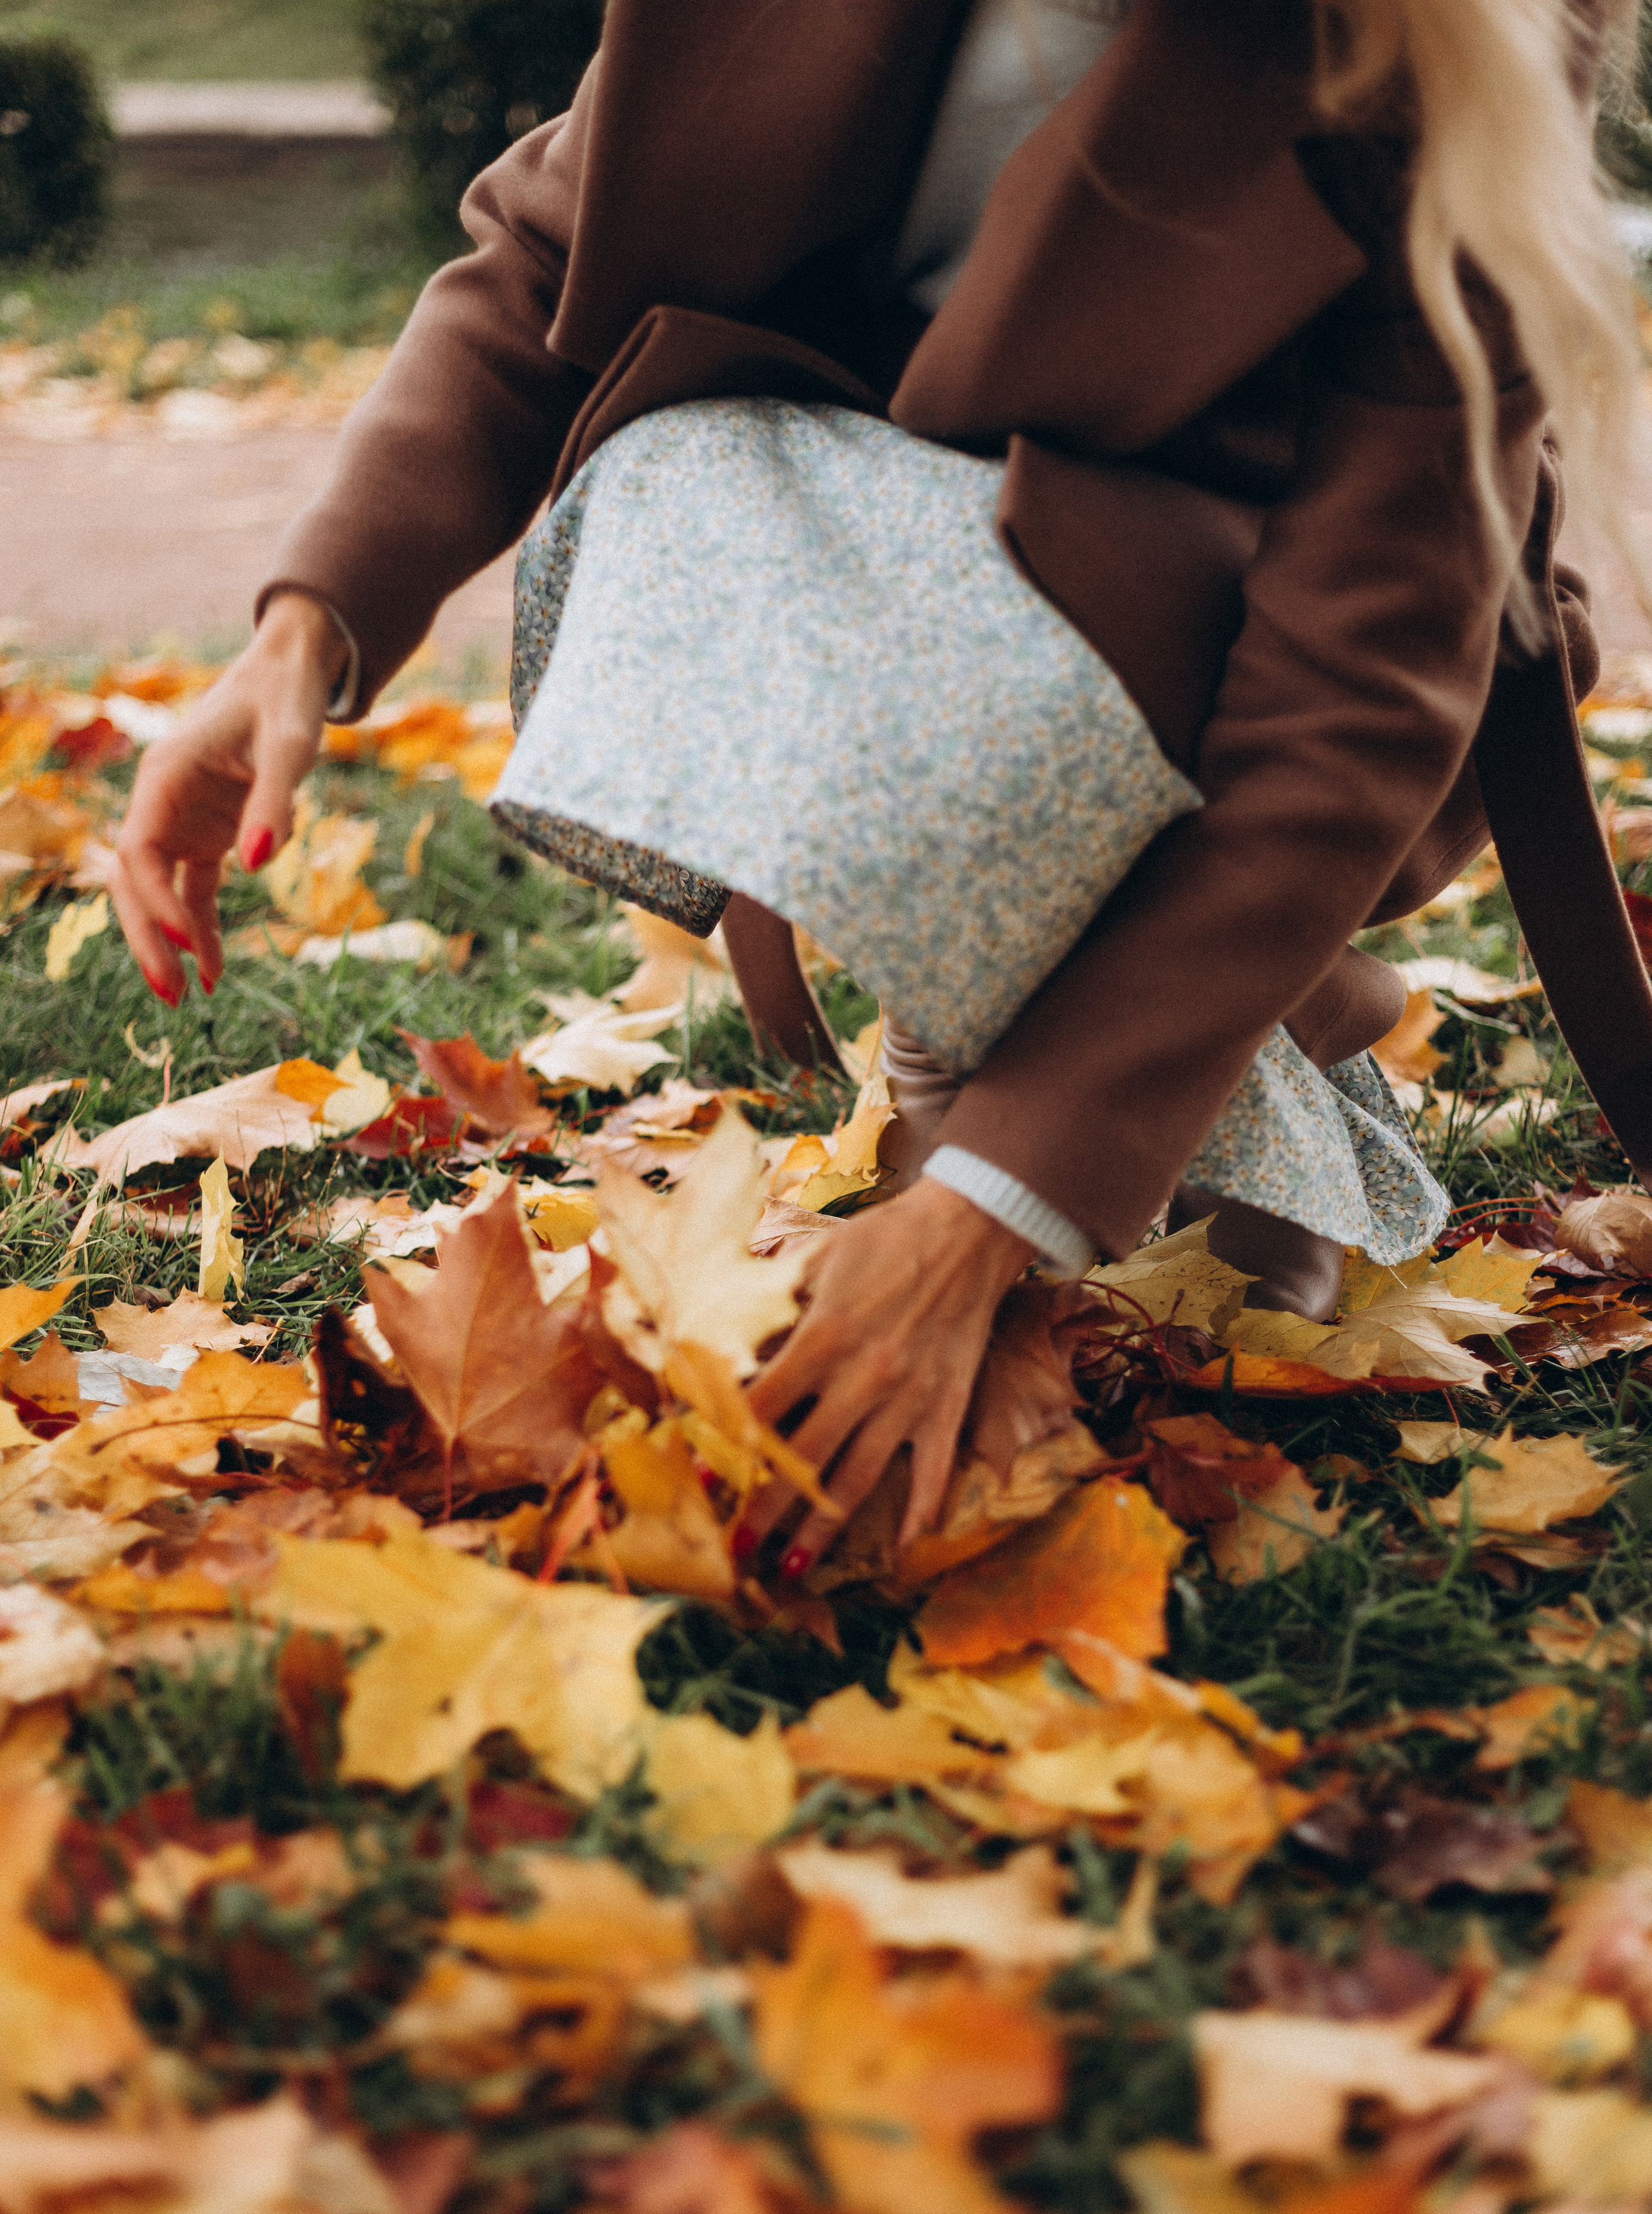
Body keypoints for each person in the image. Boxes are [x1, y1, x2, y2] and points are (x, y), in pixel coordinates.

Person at [110, 0, 1652, 1575]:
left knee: (1011, 1056)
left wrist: (977, 1213)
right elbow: (548, 263)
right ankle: (1239, 1037)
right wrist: (306, 633)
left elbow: (1344, 711)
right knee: (673, 477)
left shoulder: (1441, 32)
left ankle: (1113, 1119)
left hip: (1267, 638)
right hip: (900, 558)